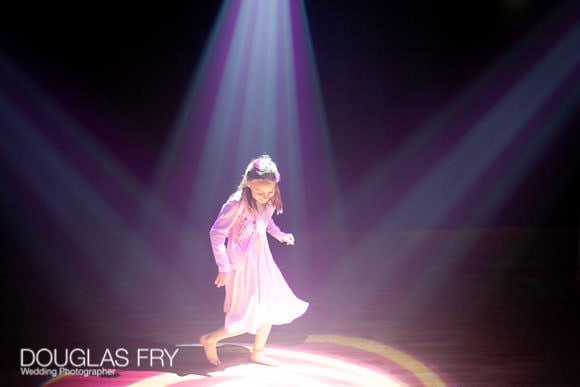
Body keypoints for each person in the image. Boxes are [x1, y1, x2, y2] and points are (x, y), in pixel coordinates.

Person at [199, 154, 309, 366]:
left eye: (269, 192)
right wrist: (223, 267)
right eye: (260, 192)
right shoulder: (236, 203)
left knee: (268, 306)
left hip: (263, 260)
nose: (265, 196)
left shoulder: (268, 200)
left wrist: (281, 236)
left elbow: (266, 224)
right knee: (246, 313)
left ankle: (257, 351)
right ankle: (210, 339)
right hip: (241, 264)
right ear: (249, 183)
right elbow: (217, 233)